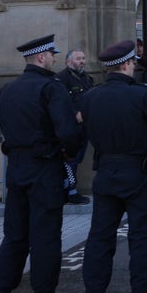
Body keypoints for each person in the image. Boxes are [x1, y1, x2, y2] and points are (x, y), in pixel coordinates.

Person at [0, 35, 83, 293]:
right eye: (52, 55)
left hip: (17, 167)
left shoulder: (8, 89)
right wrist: (70, 152)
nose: (54, 58)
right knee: (45, 235)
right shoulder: (50, 88)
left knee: (14, 235)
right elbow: (67, 132)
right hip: (44, 168)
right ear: (41, 57)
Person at [78, 40, 147, 293]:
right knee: (142, 238)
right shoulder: (142, 95)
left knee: (99, 239)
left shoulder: (91, 97)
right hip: (138, 172)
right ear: (128, 64)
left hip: (106, 171)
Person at [54, 48, 93, 205]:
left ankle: (69, 189)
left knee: (77, 159)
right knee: (70, 160)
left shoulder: (86, 78)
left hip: (84, 128)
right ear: (68, 61)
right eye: (78, 59)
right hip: (70, 127)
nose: (82, 61)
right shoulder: (61, 78)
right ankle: (70, 191)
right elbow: (60, 103)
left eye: (83, 58)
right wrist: (74, 113)